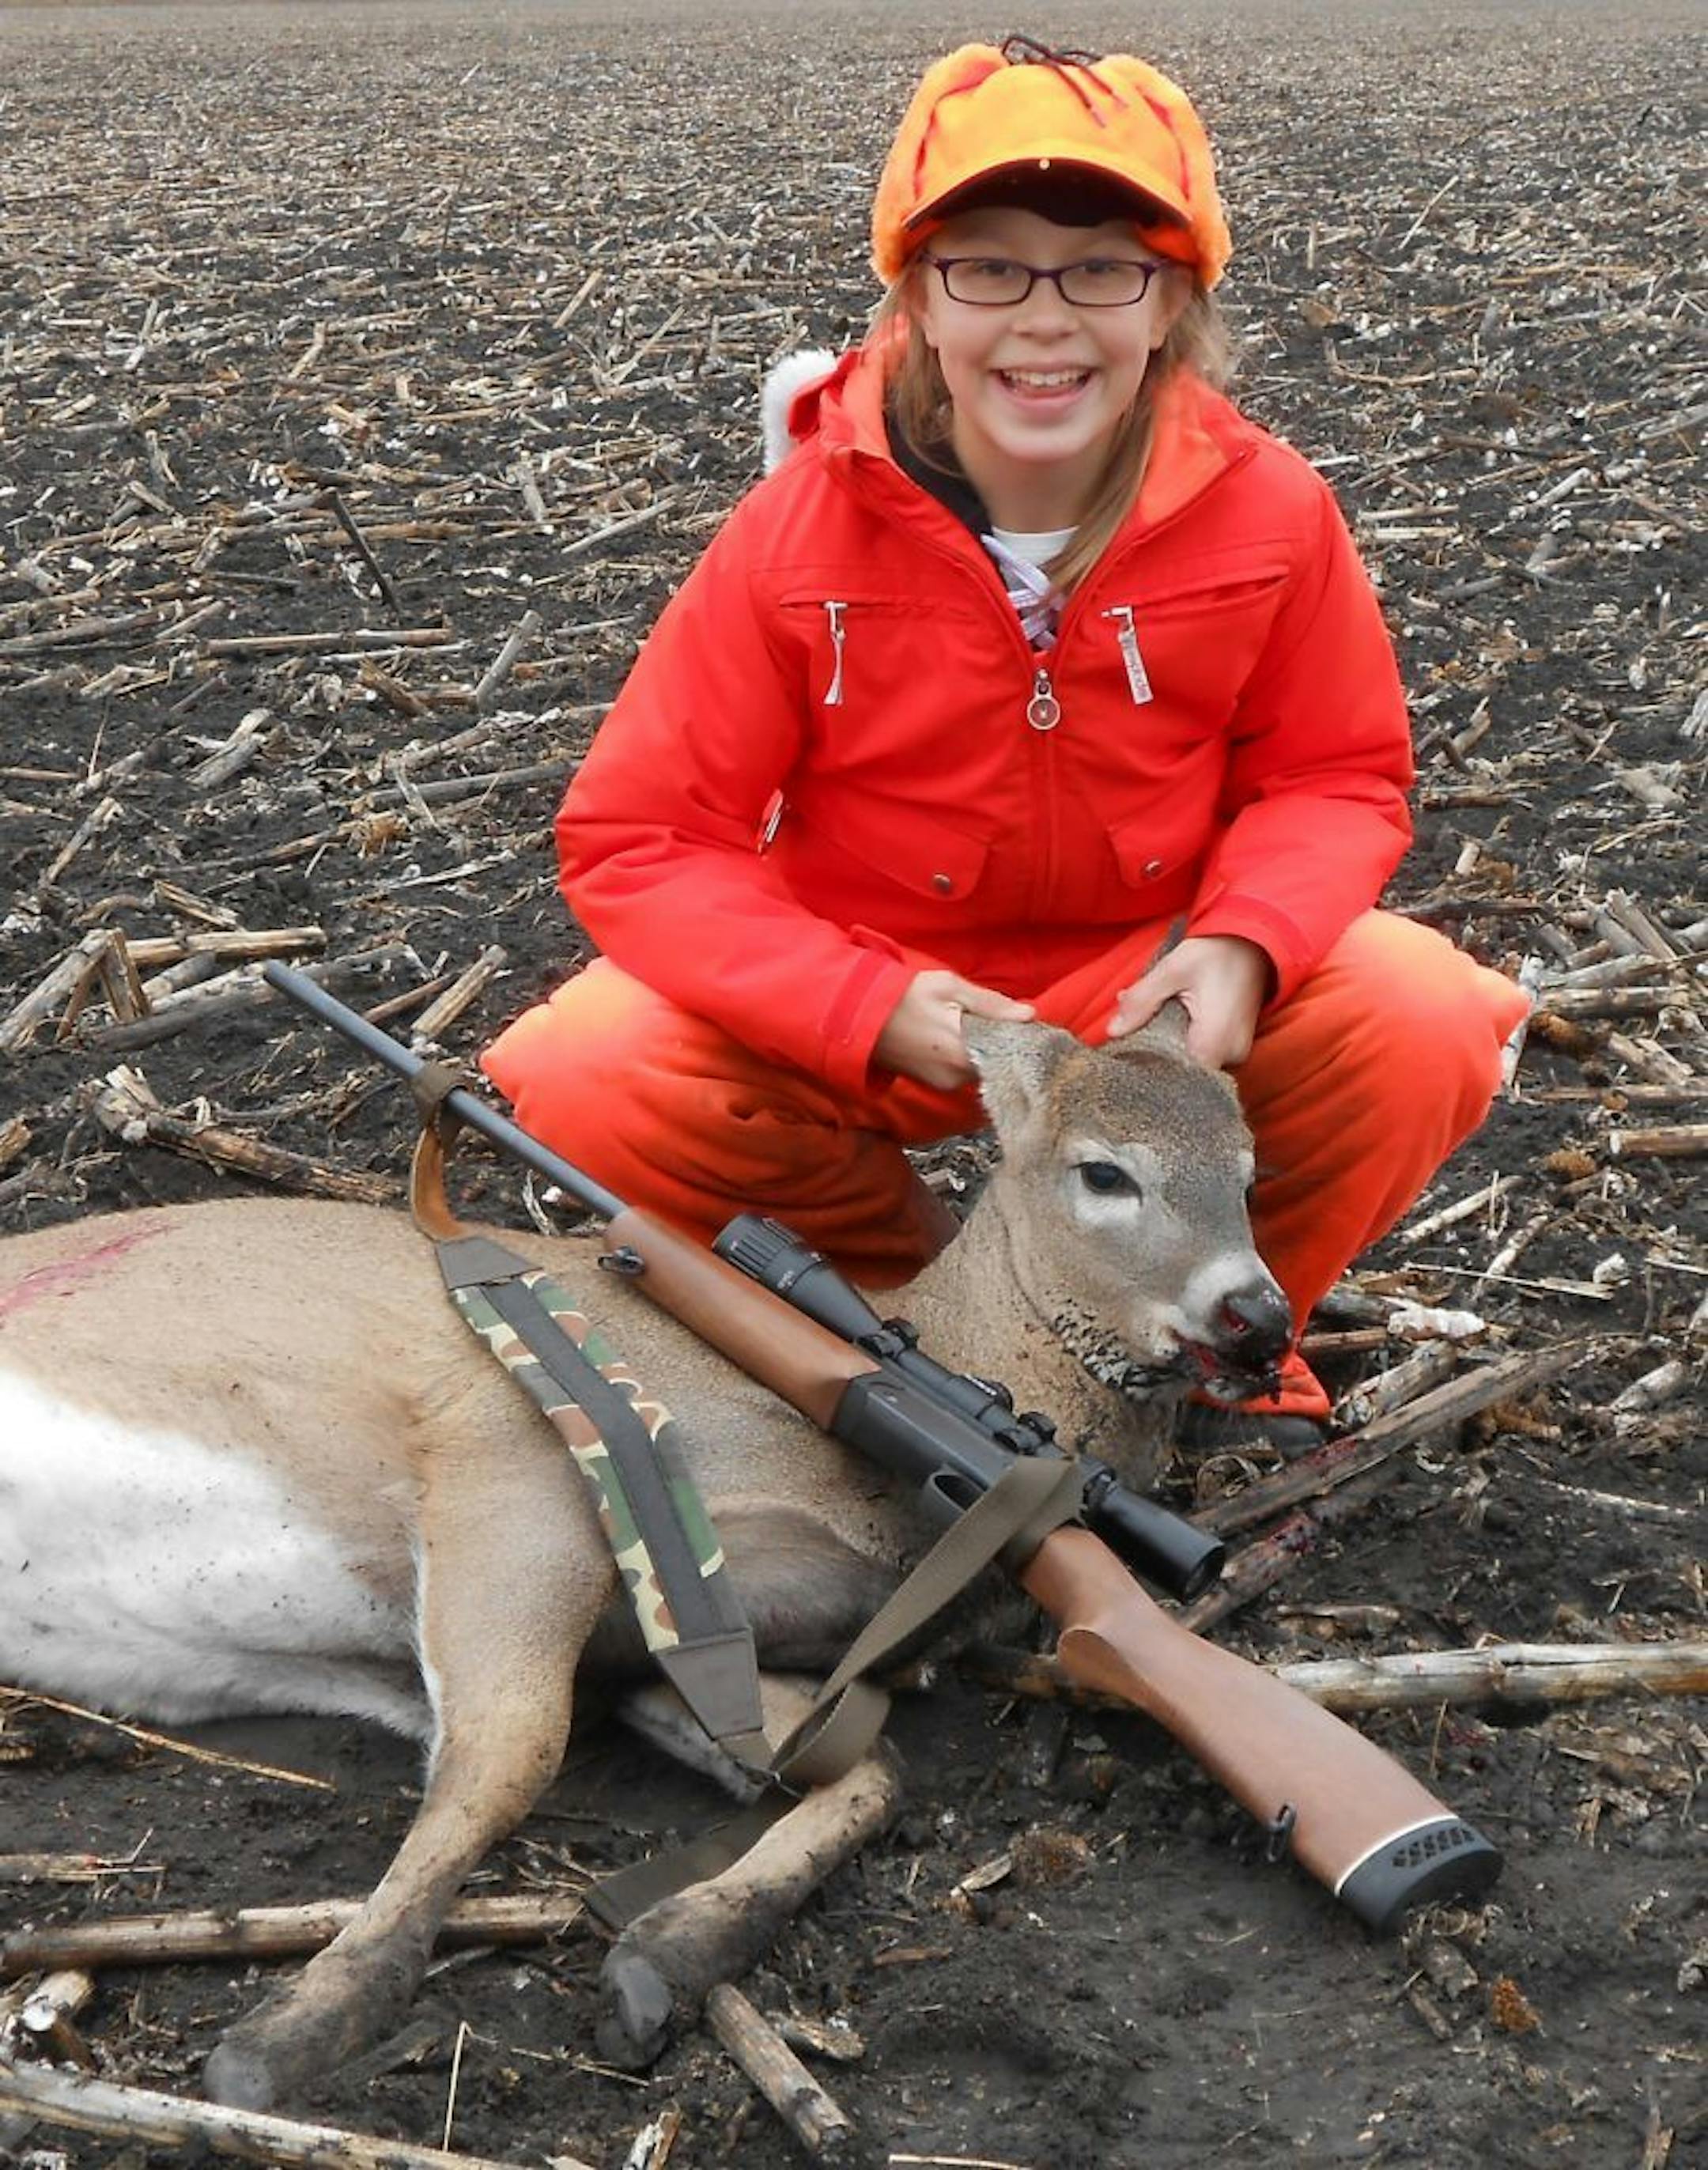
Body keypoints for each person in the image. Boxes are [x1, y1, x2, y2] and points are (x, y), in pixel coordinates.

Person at [483, 35, 1529, 1449]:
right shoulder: (797, 531)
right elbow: (644, 835)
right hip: (878, 987)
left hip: (1142, 988)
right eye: (989, 268)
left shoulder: (1271, 513)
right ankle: (927, 1327)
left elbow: (1334, 777)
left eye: (1101, 269)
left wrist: (1239, 949)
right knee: (587, 1069)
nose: (1046, 320)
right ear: (919, 295)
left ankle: (1212, 1333)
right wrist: (864, 1005)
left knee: (1419, 1014)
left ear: (1173, 300)